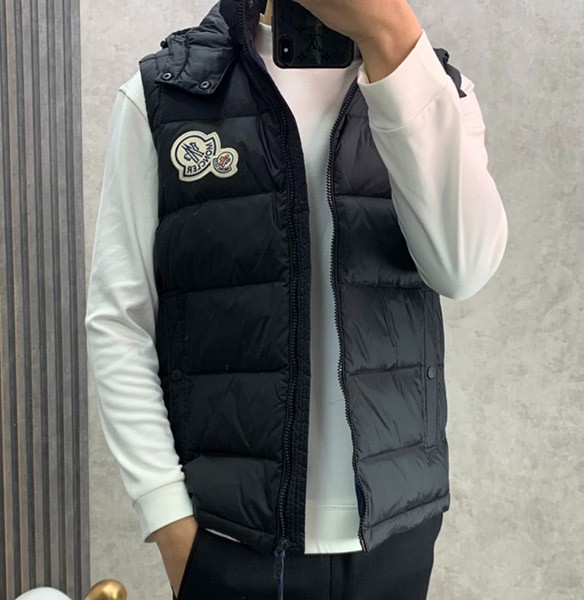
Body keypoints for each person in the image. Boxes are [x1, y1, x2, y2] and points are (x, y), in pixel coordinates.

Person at [84, 0, 508, 598]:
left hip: (393, 537)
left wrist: (393, 37)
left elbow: (462, 269)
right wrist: (170, 522)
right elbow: (120, 320)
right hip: (227, 539)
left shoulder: (438, 89)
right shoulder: (167, 94)